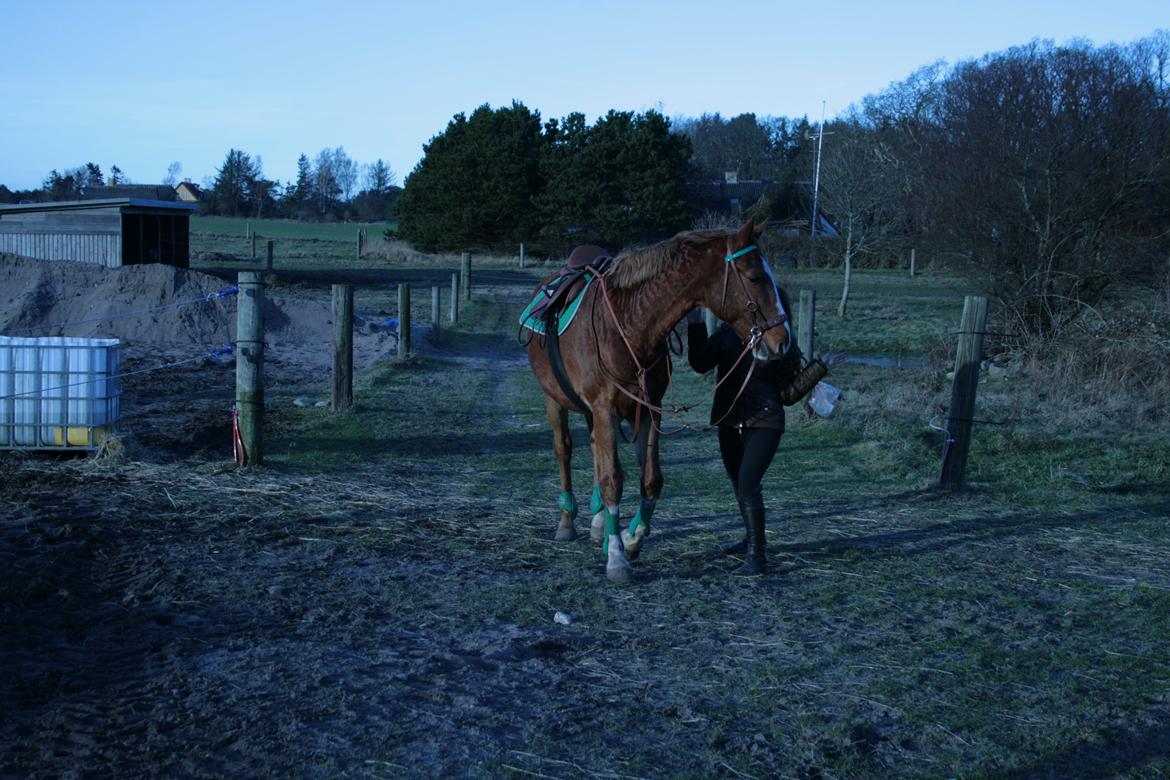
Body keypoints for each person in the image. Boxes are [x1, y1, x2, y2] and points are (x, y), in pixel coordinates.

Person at [686, 300, 844, 575]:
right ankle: (750, 540)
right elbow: (699, 364)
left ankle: (757, 557)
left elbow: (788, 395)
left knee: (748, 484)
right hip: (729, 421)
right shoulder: (726, 334)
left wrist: (819, 367)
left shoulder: (780, 340)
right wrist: (696, 324)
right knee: (739, 485)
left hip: (765, 422)